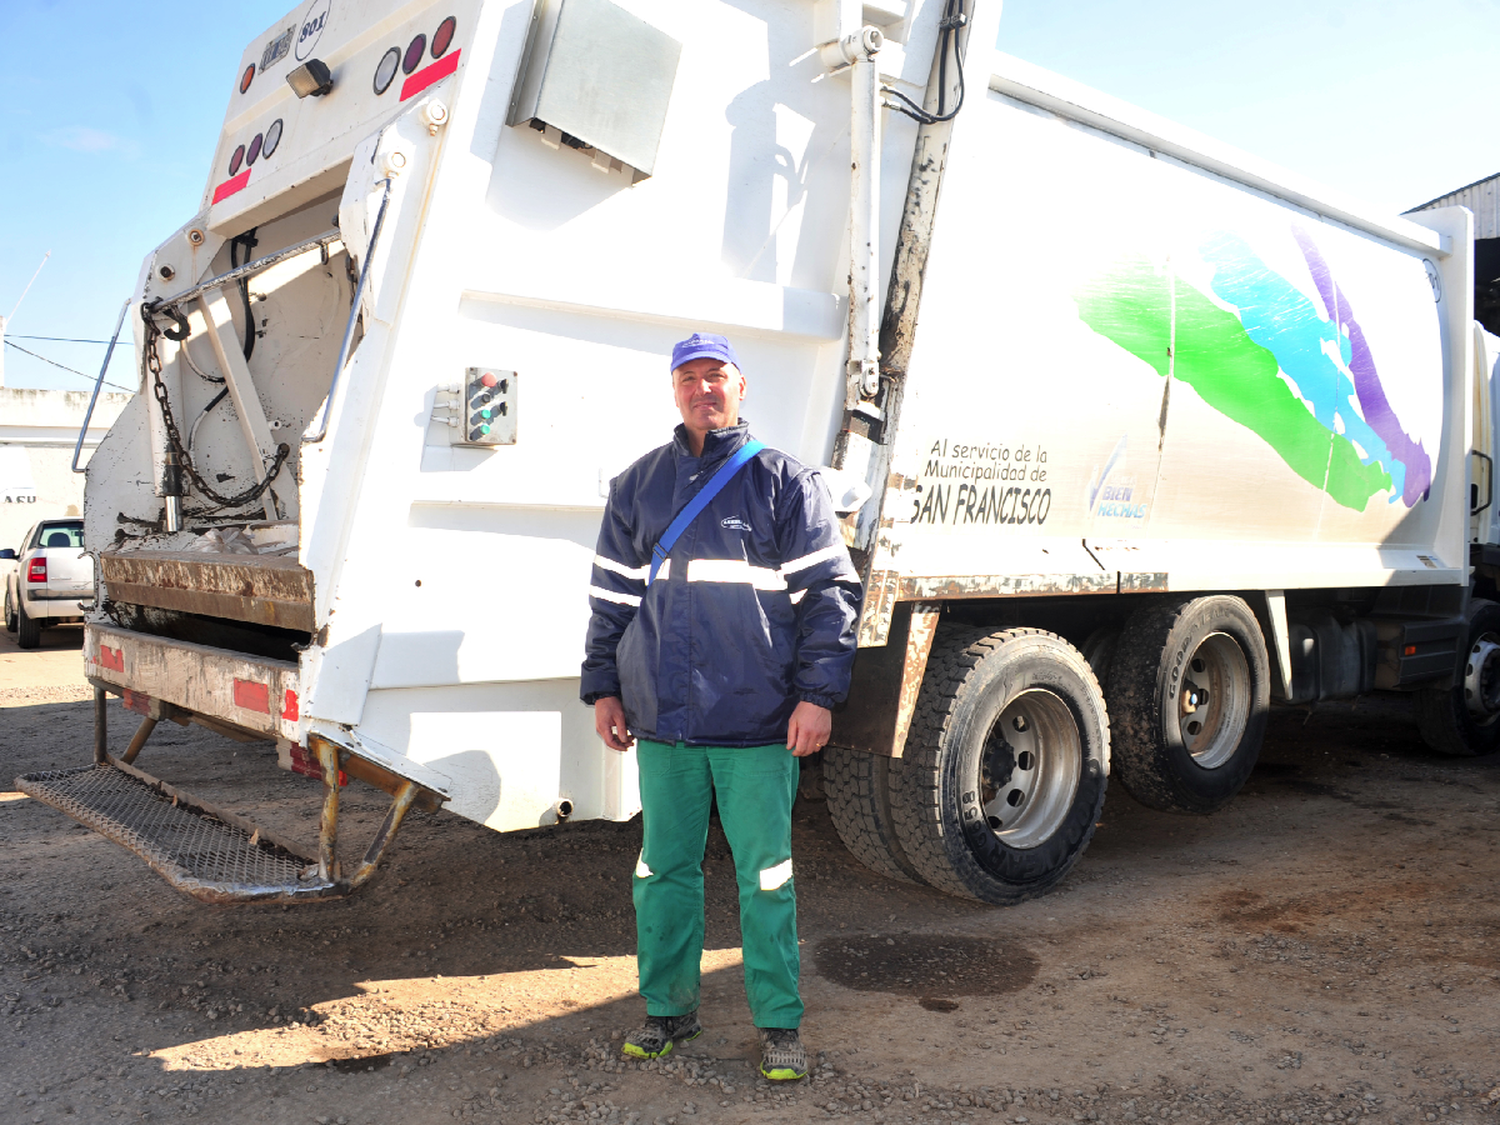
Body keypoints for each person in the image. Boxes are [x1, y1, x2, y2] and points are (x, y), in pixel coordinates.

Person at [580, 332, 862, 1081]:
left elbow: (829, 598)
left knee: (765, 876)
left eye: (716, 376)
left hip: (758, 725)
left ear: (741, 386)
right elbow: (610, 600)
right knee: (663, 869)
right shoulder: (637, 486)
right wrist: (603, 686)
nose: (702, 388)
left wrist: (817, 697)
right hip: (664, 725)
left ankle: (779, 1025)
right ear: (674, 389)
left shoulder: (783, 482)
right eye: (688, 377)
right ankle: (668, 1009)